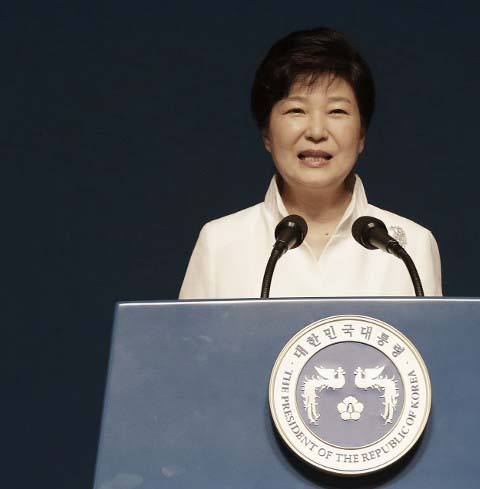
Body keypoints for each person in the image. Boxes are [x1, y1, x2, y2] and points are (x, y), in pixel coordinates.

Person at [179, 28, 442, 299]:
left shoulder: (410, 247)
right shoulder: (220, 243)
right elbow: (187, 342)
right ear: (267, 133)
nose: (317, 131)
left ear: (361, 135)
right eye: (296, 110)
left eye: (337, 111)